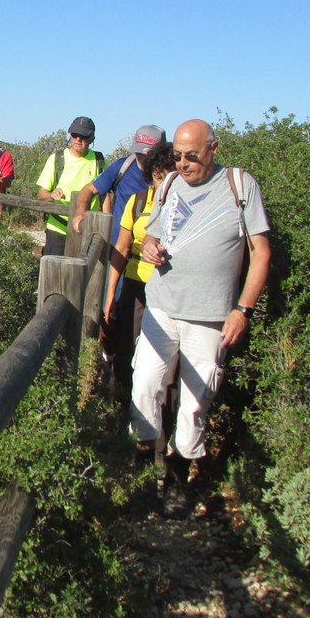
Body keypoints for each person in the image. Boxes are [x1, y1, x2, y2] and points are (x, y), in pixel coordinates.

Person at [132, 119, 271, 517]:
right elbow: (154, 234)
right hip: (162, 305)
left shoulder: (241, 186)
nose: (183, 162)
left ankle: (177, 478)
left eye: (192, 155)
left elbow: (261, 252)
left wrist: (242, 309)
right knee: (144, 385)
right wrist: (150, 248)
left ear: (214, 148)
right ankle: (144, 472)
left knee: (194, 403)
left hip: (210, 316)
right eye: (177, 155)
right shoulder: (170, 184)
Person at [100, 143, 177, 390]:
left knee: (167, 356)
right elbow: (122, 248)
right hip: (136, 284)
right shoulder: (138, 201)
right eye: (156, 177)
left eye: (166, 177)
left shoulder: (186, 206)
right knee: (127, 344)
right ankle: (124, 401)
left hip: (172, 289)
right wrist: (111, 293)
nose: (161, 183)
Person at [70, 125, 167, 244]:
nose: (141, 158)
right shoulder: (123, 166)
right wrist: (80, 212)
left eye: (148, 154)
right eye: (138, 152)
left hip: (151, 253)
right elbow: (88, 190)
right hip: (116, 250)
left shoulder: (172, 177)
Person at [35, 116, 107, 255]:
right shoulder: (57, 159)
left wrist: (104, 229)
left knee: (81, 274)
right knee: (54, 273)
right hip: (57, 227)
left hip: (86, 228)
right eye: (74, 135)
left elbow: (105, 197)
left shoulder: (99, 162)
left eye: (83, 136)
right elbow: (41, 194)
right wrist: (51, 195)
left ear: (92, 138)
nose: (78, 139)